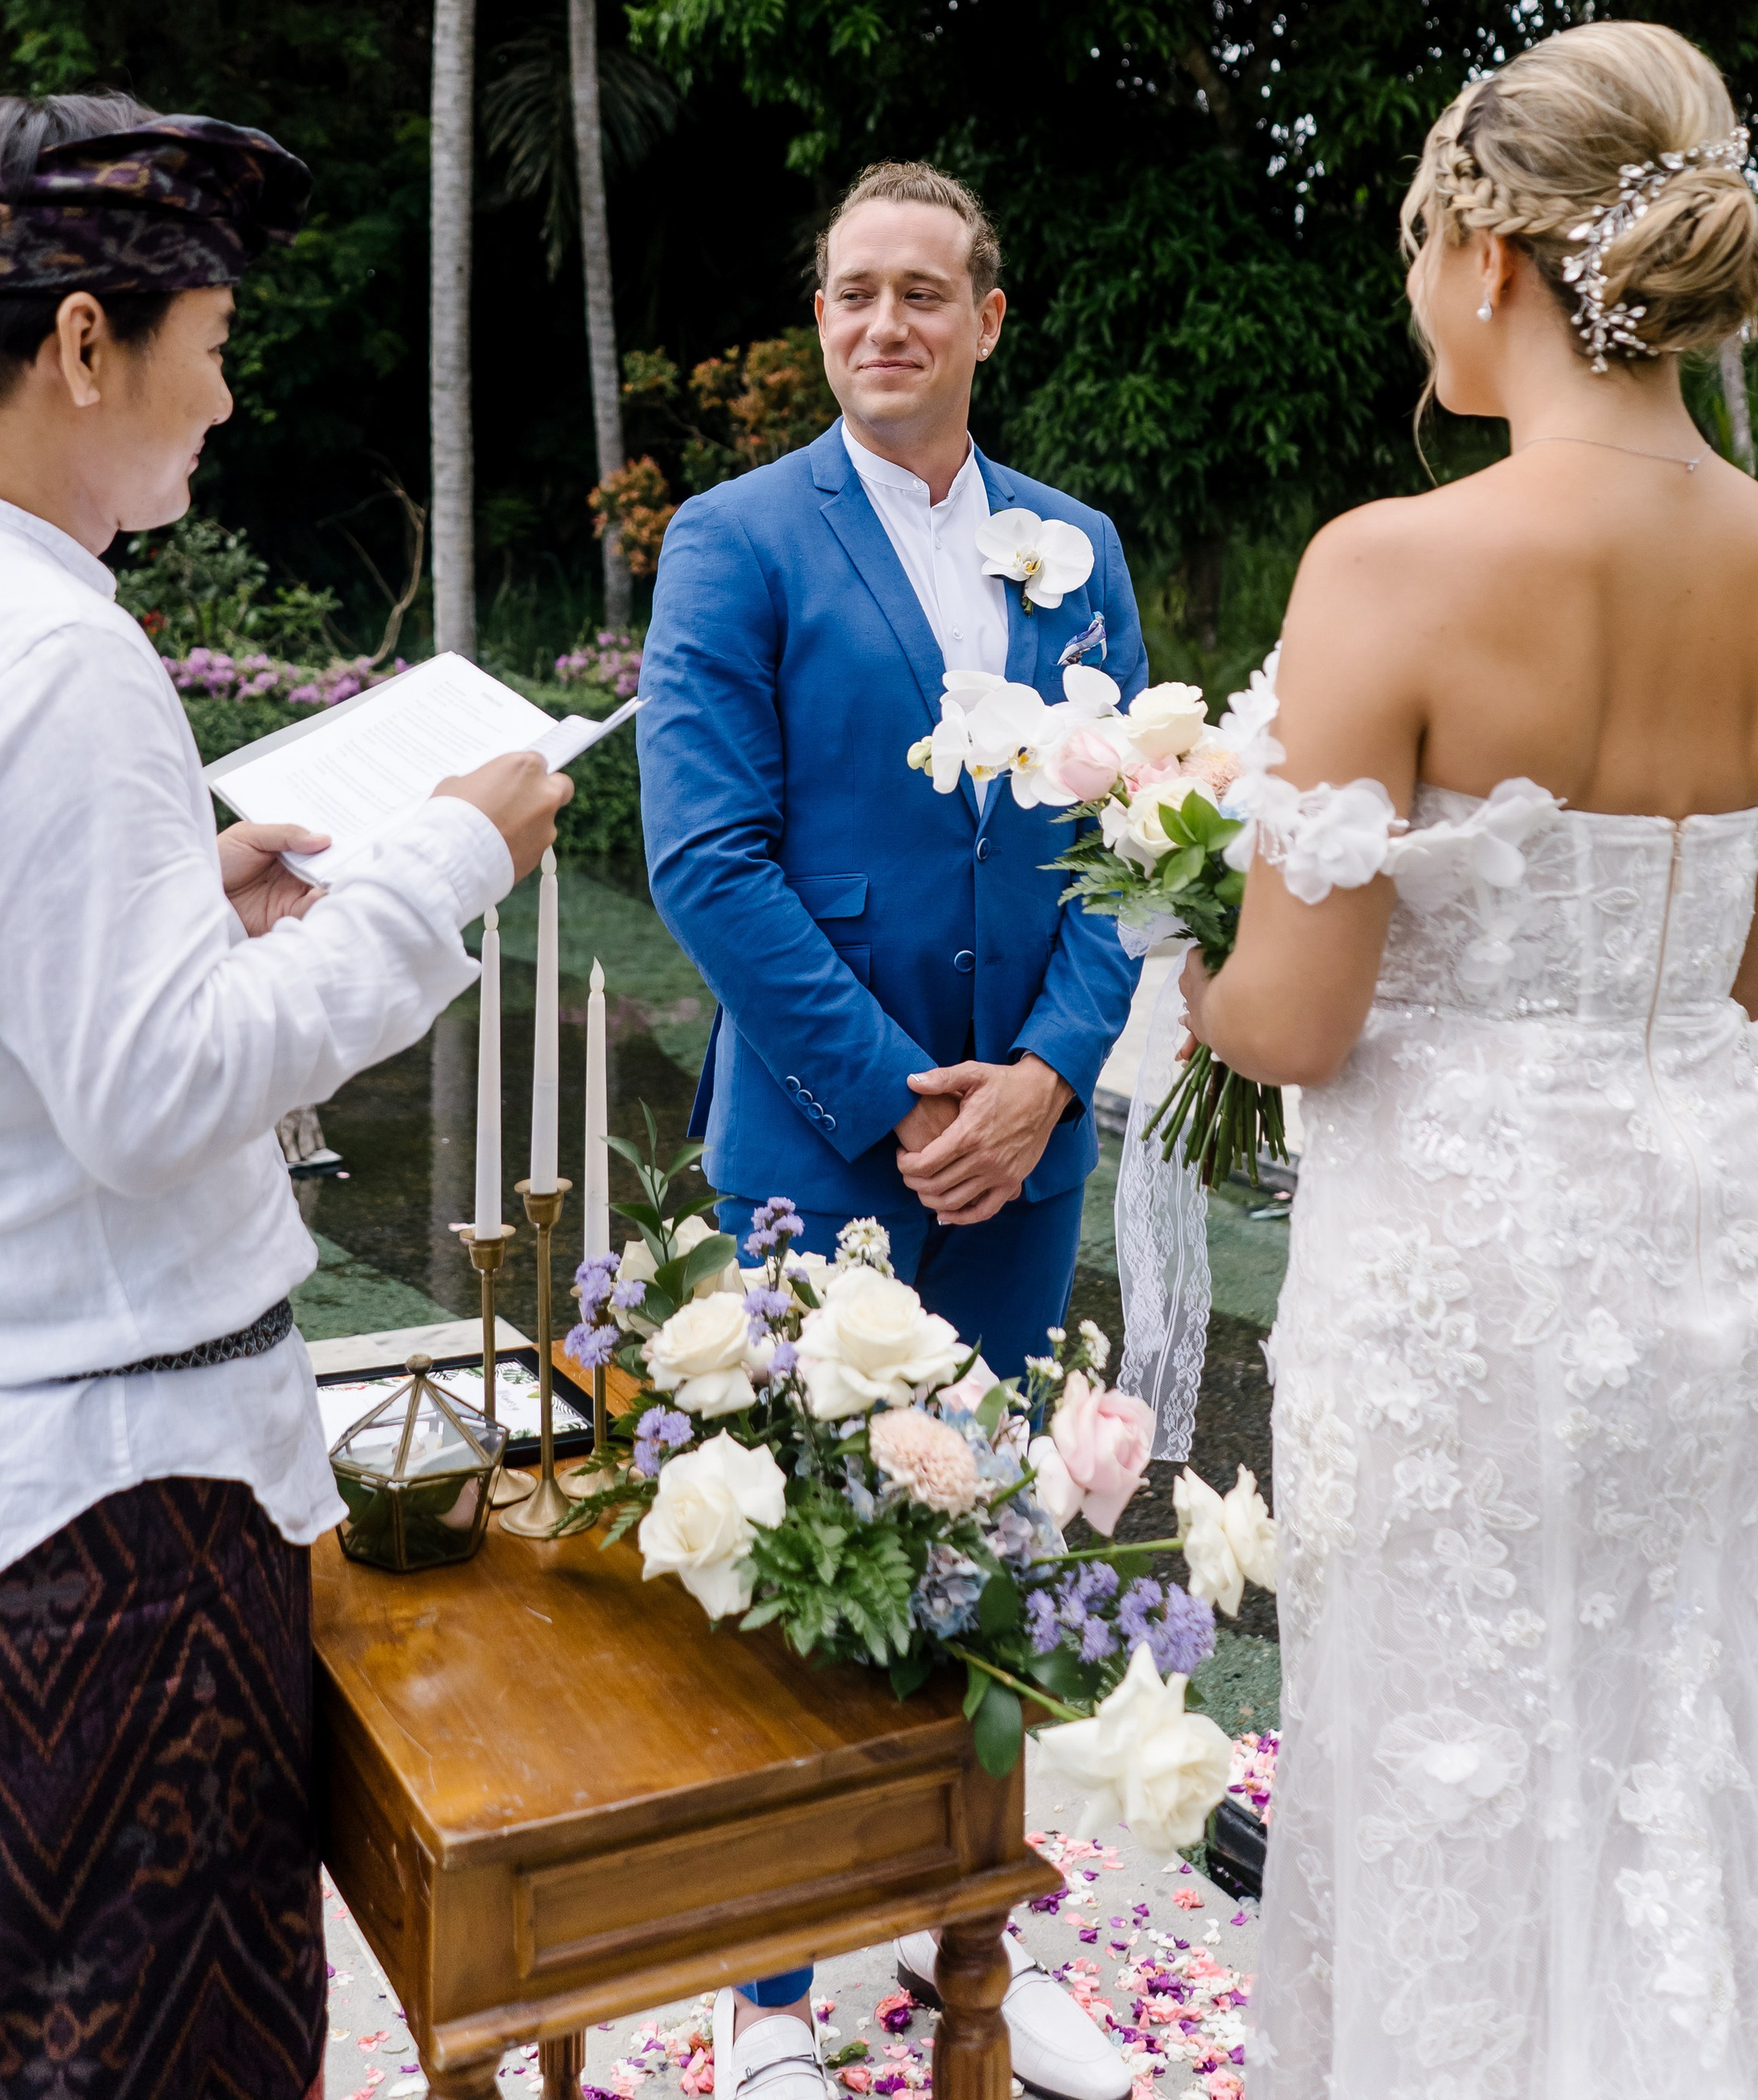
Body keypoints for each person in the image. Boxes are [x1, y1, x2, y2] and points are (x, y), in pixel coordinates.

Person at [0, 91, 570, 2100]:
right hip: (99, 1543)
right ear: (83, 342)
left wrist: (179, 904)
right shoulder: (47, 657)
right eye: (212, 347)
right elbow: (156, 1100)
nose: (225, 401)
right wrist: (439, 864)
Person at [1173, 23, 1758, 2094]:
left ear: (1485, 253)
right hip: (1711, 1254)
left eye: (1417, 241)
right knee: (1681, 1716)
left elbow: (1293, 1021)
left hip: (1463, 1283)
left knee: (1455, 1743)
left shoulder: (1388, 567)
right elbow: (1740, 982)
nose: (1414, 287)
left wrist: (1170, 955)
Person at [638, 160, 1148, 2100]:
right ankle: (765, 1993)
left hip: (1027, 1138)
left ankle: (975, 1947)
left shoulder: (1073, 544)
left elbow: (1136, 842)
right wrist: (890, 1093)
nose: (881, 324)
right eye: (852, 292)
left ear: (985, 319)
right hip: (819, 1143)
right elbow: (704, 853)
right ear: (820, 315)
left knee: (998, 1548)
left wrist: (1046, 1077)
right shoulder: (733, 540)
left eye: (921, 292)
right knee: (789, 1560)